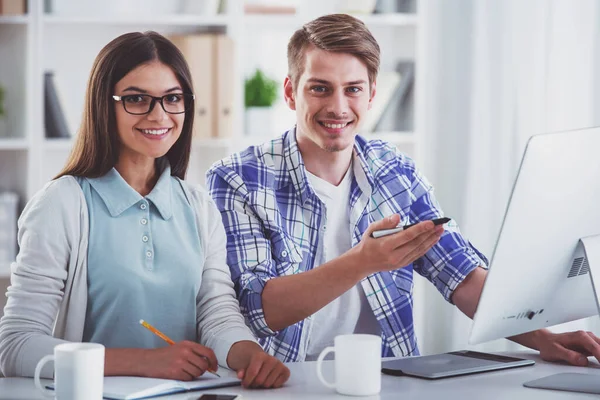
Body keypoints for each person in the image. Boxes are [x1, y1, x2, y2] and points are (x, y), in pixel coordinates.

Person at [207, 14, 600, 365]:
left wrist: (544, 340)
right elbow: (259, 309)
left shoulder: (395, 171)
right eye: (320, 89)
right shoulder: (238, 178)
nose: (339, 107)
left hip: (386, 381)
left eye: (354, 89)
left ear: (372, 94)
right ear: (291, 92)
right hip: (286, 382)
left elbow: (459, 275)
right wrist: (363, 260)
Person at [0, 31, 289, 389]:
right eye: (136, 99)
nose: (159, 115)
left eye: (172, 98)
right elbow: (15, 346)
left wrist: (248, 354)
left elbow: (217, 313)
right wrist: (146, 362)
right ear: (104, 105)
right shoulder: (60, 204)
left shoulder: (198, 206)